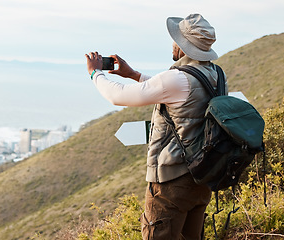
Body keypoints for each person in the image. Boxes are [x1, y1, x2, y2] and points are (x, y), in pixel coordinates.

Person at [85, 13, 227, 240]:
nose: (173, 43)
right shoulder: (217, 74)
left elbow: (118, 96)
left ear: (183, 46)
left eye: (175, 39)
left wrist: (95, 73)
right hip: (202, 177)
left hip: (172, 181)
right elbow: (180, 93)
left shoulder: (178, 78)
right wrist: (133, 74)